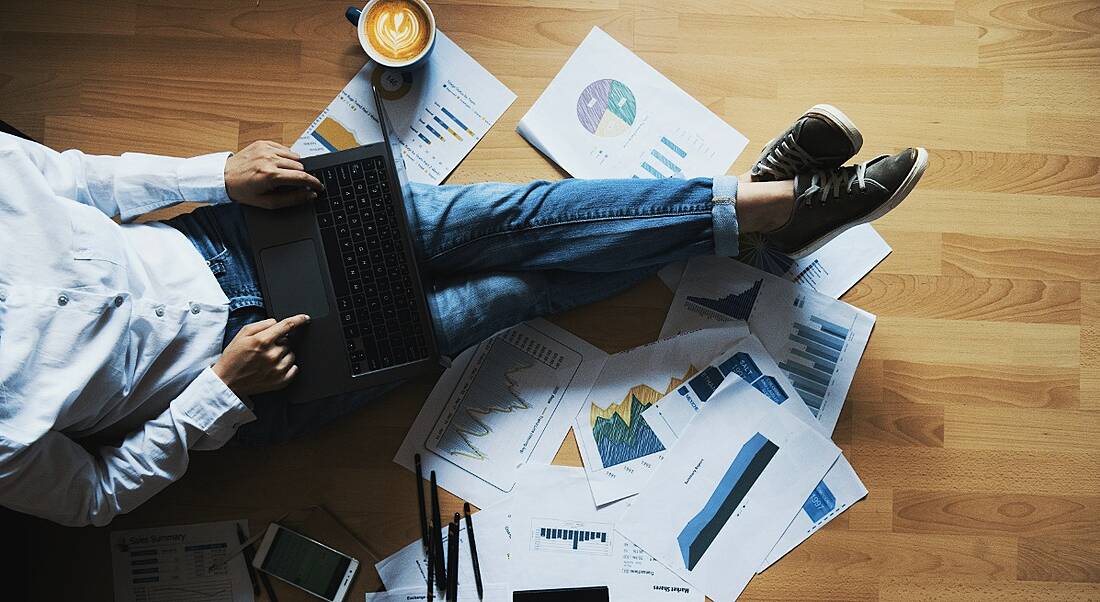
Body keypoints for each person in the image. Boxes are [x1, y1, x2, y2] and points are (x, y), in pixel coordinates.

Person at [0, 106, 925, 526]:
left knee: (513, 218)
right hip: (273, 371)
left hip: (239, 239)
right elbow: (90, 499)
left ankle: (770, 210)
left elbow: (76, 177)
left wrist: (215, 175)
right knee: (515, 290)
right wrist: (216, 394)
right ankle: (776, 208)